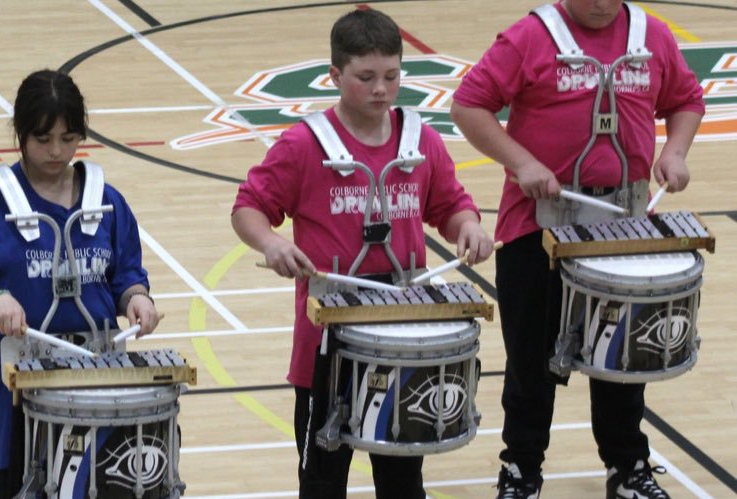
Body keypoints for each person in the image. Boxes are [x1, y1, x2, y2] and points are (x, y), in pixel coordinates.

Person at [232, 9, 492, 498]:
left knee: (402, 483)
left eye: (392, 76)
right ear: (335, 75)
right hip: (325, 348)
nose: (381, 89)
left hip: (402, 339)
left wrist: (470, 227)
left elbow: (452, 204)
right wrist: (271, 243)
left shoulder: (421, 140)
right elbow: (248, 208)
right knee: (323, 483)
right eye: (366, 77)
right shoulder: (303, 145)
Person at [451, 0, 704, 497]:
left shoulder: (651, 33)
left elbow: (686, 99)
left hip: (624, 224)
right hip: (537, 225)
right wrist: (521, 163)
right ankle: (521, 468)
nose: (600, 4)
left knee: (624, 358)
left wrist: (675, 151)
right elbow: (468, 105)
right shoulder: (529, 36)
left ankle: (628, 466)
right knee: (531, 361)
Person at [0, 69, 161, 498]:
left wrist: (137, 299)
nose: (56, 151)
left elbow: (127, 275)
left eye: (69, 138)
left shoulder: (108, 203)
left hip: (99, 385)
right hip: (18, 396)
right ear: (19, 134)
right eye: (42, 139)